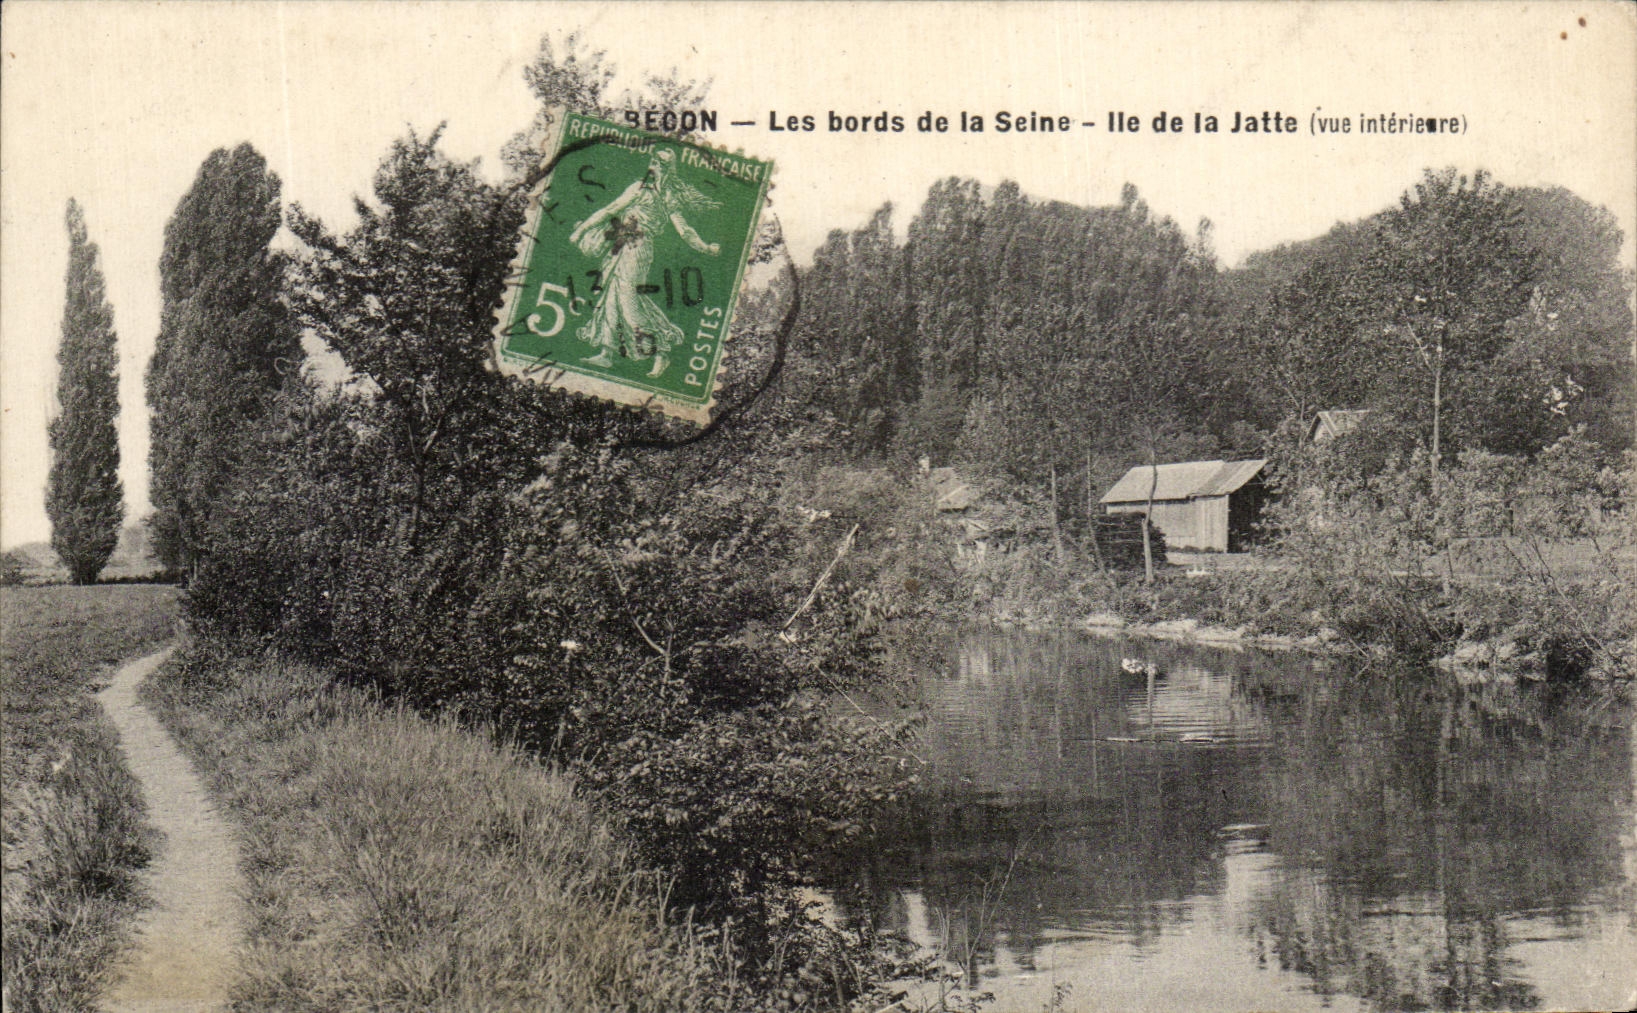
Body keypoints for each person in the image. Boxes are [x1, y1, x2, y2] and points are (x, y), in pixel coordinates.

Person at [567, 147, 721, 376]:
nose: (654, 165)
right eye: (653, 161)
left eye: (659, 163)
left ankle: (661, 352)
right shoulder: (641, 188)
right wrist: (582, 229)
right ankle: (607, 353)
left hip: (638, 249)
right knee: (612, 296)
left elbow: (684, 230)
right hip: (621, 245)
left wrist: (705, 248)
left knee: (630, 301)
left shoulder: (666, 195)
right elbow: (610, 210)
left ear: (667, 170)